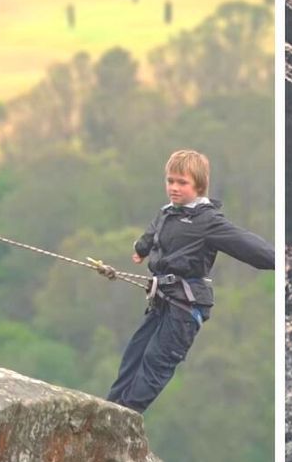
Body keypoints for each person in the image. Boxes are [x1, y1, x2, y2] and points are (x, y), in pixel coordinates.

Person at [107, 150, 274, 413]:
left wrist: (277, 259)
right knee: (134, 354)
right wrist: (141, 249)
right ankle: (109, 408)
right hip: (162, 299)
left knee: (156, 360)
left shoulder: (207, 221)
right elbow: (153, 233)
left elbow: (245, 243)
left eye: (181, 183)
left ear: (198, 185)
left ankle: (125, 414)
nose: (174, 188)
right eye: (170, 181)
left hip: (186, 305)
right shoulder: (167, 213)